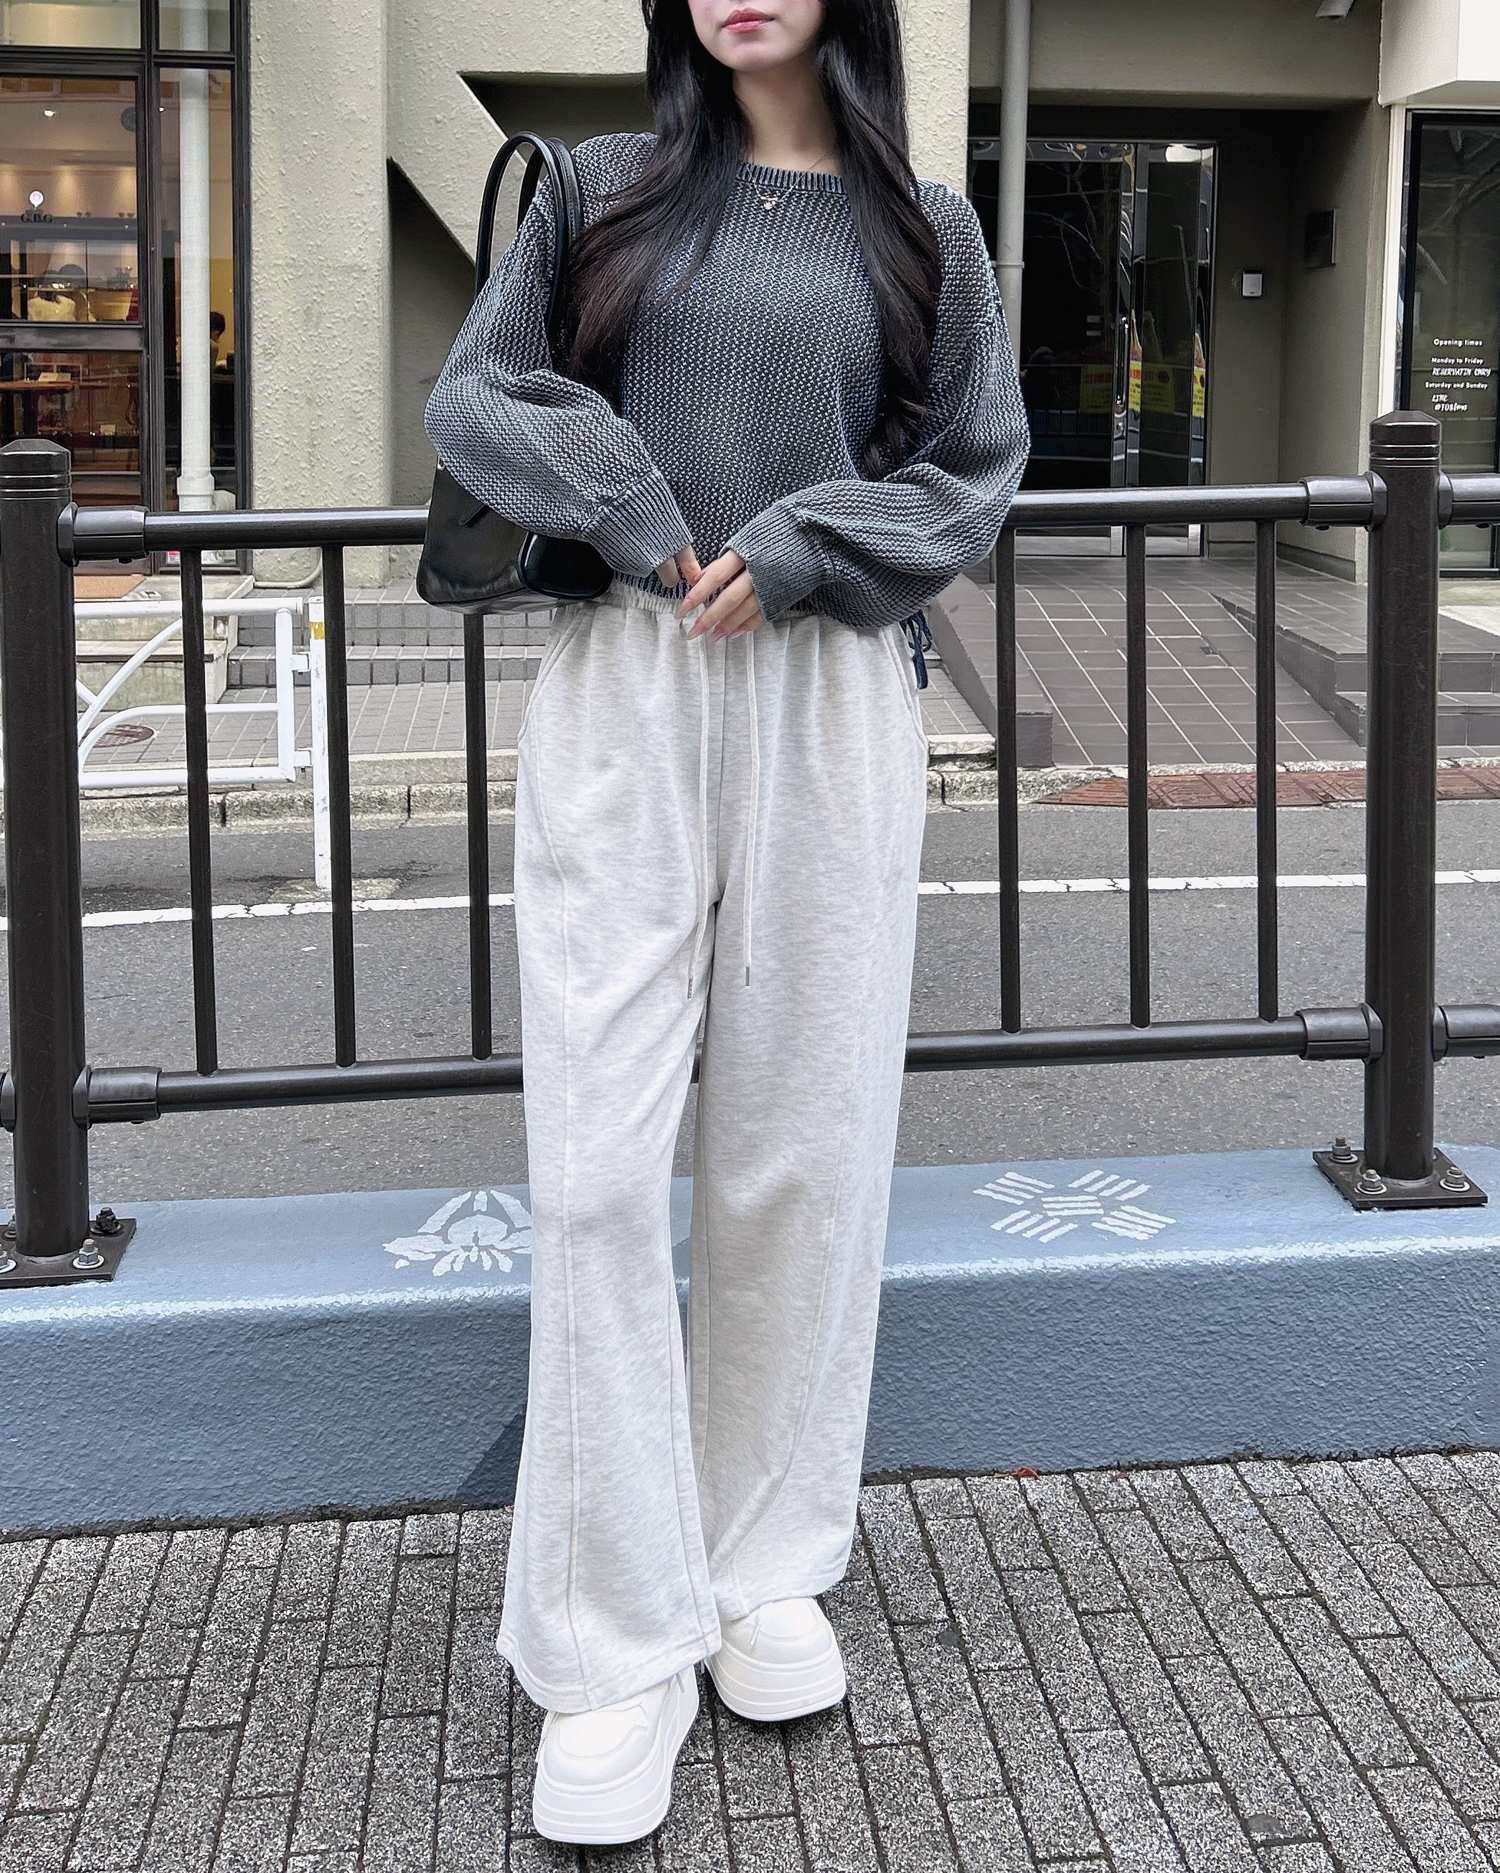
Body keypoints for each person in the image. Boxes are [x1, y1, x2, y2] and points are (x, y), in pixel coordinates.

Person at [422, 0, 1029, 1846]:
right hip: (627, 681)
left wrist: (807, 543)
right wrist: (630, 498)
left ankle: (761, 1560)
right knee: (599, 1175)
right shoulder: (600, 188)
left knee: (800, 1156)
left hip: (830, 691)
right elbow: (475, 395)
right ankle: (611, 1641)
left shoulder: (923, 228)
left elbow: (976, 464)